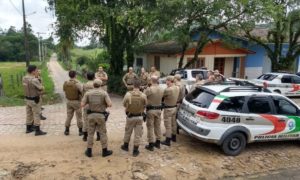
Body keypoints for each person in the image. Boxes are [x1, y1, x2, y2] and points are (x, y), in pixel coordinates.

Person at [81, 79, 113, 158]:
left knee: (90, 133)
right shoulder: (104, 93)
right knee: (102, 133)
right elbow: (110, 104)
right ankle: (104, 151)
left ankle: (89, 151)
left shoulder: (88, 93)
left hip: (91, 115)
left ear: (93, 85)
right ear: (101, 85)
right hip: (101, 116)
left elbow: (82, 104)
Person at [121, 79, 147, 157]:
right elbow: (146, 104)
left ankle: (125, 146)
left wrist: (129, 107)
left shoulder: (128, 94)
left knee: (128, 131)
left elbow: (123, 104)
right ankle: (135, 150)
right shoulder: (143, 95)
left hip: (130, 116)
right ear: (140, 86)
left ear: (133, 85)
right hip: (139, 116)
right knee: (138, 134)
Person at [22, 65, 47, 136]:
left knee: (29, 113)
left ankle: (28, 128)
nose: (37, 71)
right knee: (37, 114)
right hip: (34, 99)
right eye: (36, 70)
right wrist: (41, 84)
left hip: (27, 99)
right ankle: (37, 130)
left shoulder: (24, 78)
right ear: (33, 71)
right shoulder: (34, 80)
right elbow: (41, 88)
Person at [144, 75, 164, 151]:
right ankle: (158, 142)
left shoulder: (149, 89)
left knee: (150, 127)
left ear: (151, 81)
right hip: (159, 110)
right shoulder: (162, 89)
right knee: (157, 126)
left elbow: (143, 96)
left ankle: (151, 144)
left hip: (151, 110)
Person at [63, 70, 83, 136]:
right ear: (75, 75)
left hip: (69, 101)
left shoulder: (66, 83)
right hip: (76, 101)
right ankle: (80, 131)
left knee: (69, 116)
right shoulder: (77, 83)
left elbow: (64, 90)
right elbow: (81, 90)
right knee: (79, 116)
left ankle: (66, 130)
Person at [82, 72, 101, 142]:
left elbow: (82, 93)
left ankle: (85, 136)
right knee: (97, 120)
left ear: (87, 77)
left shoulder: (84, 85)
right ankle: (98, 136)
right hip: (96, 104)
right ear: (94, 77)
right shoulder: (96, 84)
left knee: (86, 120)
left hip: (87, 104)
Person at [161, 76, 179, 146]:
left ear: (169, 81)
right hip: (174, 107)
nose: (166, 82)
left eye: (166, 81)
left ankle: (167, 140)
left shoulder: (168, 89)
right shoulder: (177, 87)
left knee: (167, 125)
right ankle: (174, 137)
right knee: (173, 123)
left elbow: (162, 95)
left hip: (168, 108)